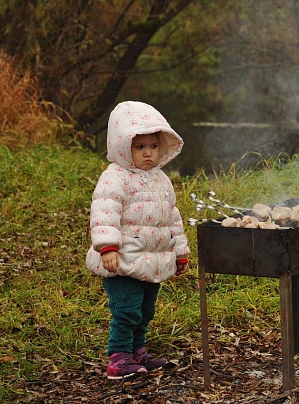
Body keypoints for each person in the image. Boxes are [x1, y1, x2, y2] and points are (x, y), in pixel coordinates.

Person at [86, 101, 190, 380]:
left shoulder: (161, 180)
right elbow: (105, 212)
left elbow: (172, 219)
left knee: (145, 310)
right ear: (124, 148)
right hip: (122, 260)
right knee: (126, 310)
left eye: (153, 147)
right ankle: (118, 357)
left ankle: (137, 350)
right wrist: (108, 247)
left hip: (151, 260)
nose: (147, 153)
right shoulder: (115, 177)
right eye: (140, 147)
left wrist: (180, 253)